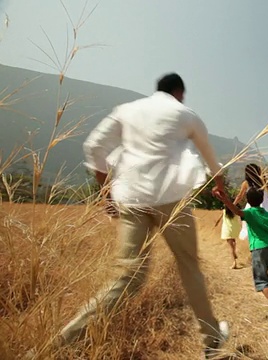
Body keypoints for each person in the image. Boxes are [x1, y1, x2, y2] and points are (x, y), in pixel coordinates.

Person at [52, 73, 230, 358]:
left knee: (127, 278)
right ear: (180, 92)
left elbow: (94, 147)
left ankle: (66, 338)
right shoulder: (186, 115)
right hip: (171, 200)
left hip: (131, 200)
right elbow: (211, 159)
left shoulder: (126, 111)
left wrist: (106, 194)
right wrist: (220, 186)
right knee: (189, 267)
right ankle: (211, 340)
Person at [214, 187, 268, 321]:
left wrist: (224, 199)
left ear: (248, 200)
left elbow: (235, 211)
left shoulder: (249, 213)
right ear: (261, 200)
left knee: (261, 281)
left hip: (259, 249)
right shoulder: (267, 214)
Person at [235, 163, 268, 241]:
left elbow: (240, 196)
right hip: (265, 205)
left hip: (251, 206)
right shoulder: (264, 181)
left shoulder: (246, 183)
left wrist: (232, 204)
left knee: (250, 228)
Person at [220, 203, 241, 269]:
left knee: (231, 247)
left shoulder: (224, 212)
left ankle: (234, 262)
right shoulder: (236, 212)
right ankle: (234, 252)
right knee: (233, 241)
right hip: (235, 229)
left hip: (228, 230)